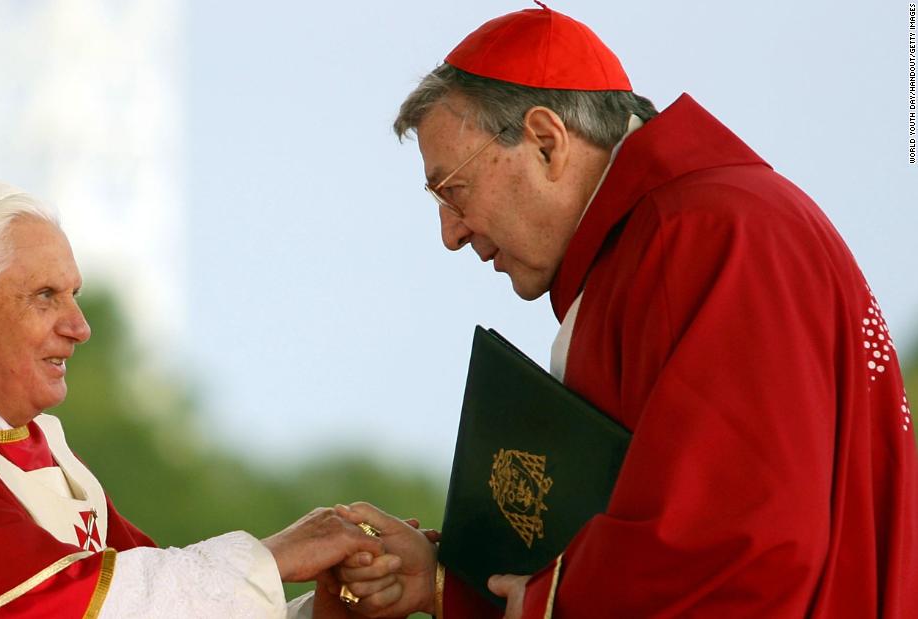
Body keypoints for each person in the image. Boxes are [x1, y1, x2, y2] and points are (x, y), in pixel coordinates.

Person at [336, 3, 918, 617]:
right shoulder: (664, 238)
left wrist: (540, 605)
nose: (451, 234)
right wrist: (446, 581)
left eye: (454, 189)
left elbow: (739, 544)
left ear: (545, 141)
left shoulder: (710, 235)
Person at [0, 178, 403, 618]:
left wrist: (321, 611)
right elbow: (48, 608)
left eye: (74, 294)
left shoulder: (32, 445)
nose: (79, 326)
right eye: (44, 296)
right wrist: (268, 561)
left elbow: (159, 603)